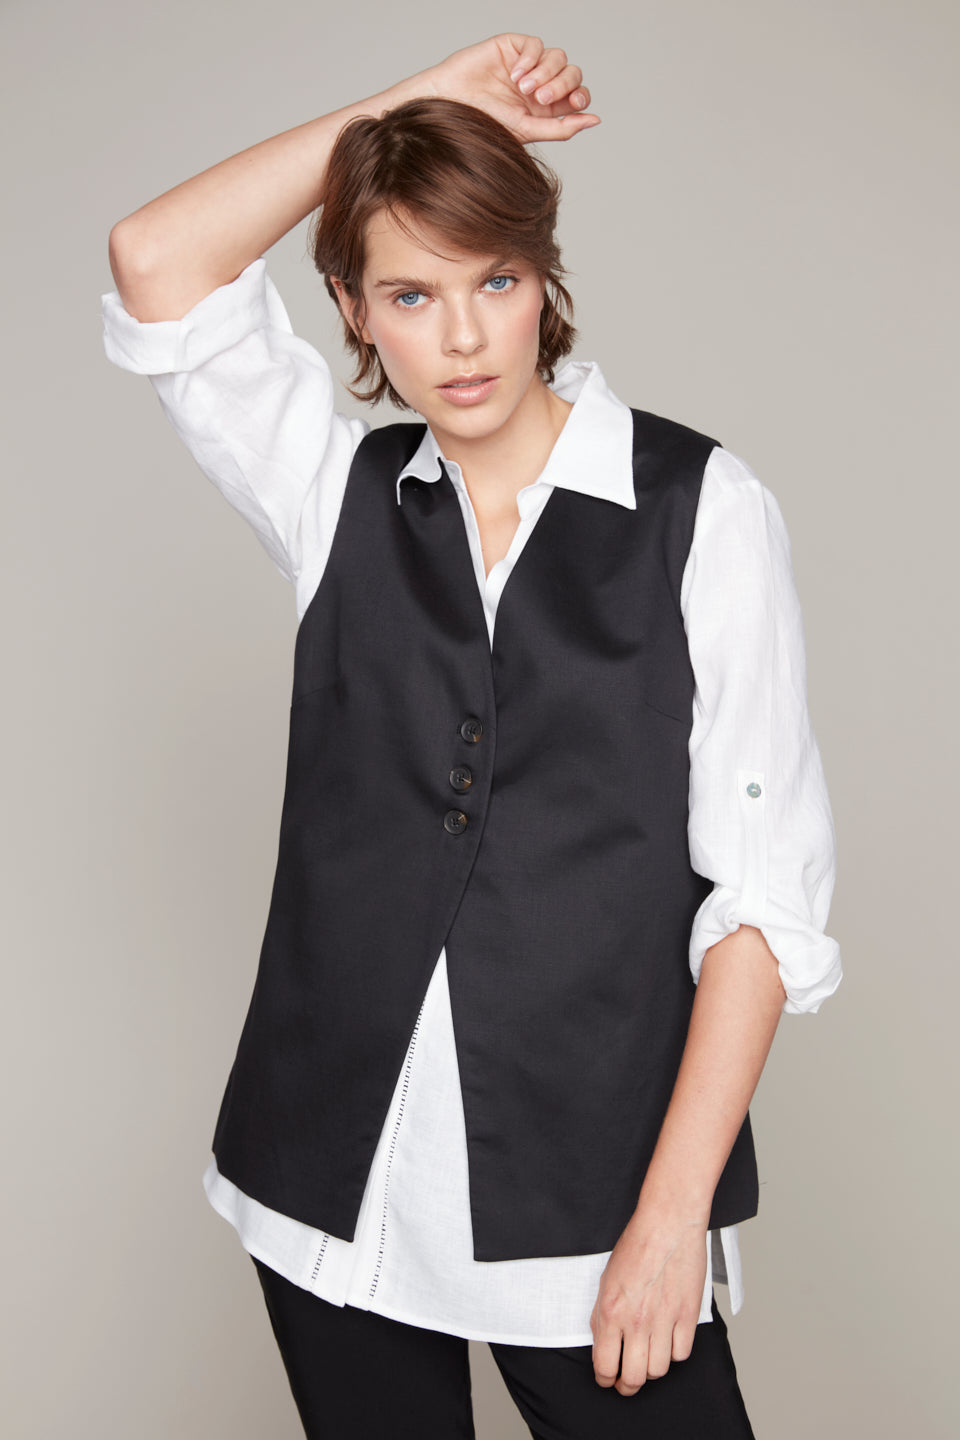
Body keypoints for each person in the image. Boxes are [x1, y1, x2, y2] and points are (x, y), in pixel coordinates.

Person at [102, 32, 841, 1440]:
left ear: (543, 280)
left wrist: (671, 1216)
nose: (460, 337)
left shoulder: (703, 511)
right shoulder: (334, 494)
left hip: (594, 1198)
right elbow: (156, 258)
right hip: (332, 1193)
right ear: (351, 307)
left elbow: (761, 902)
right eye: (409, 292)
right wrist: (413, 107)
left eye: (494, 281)